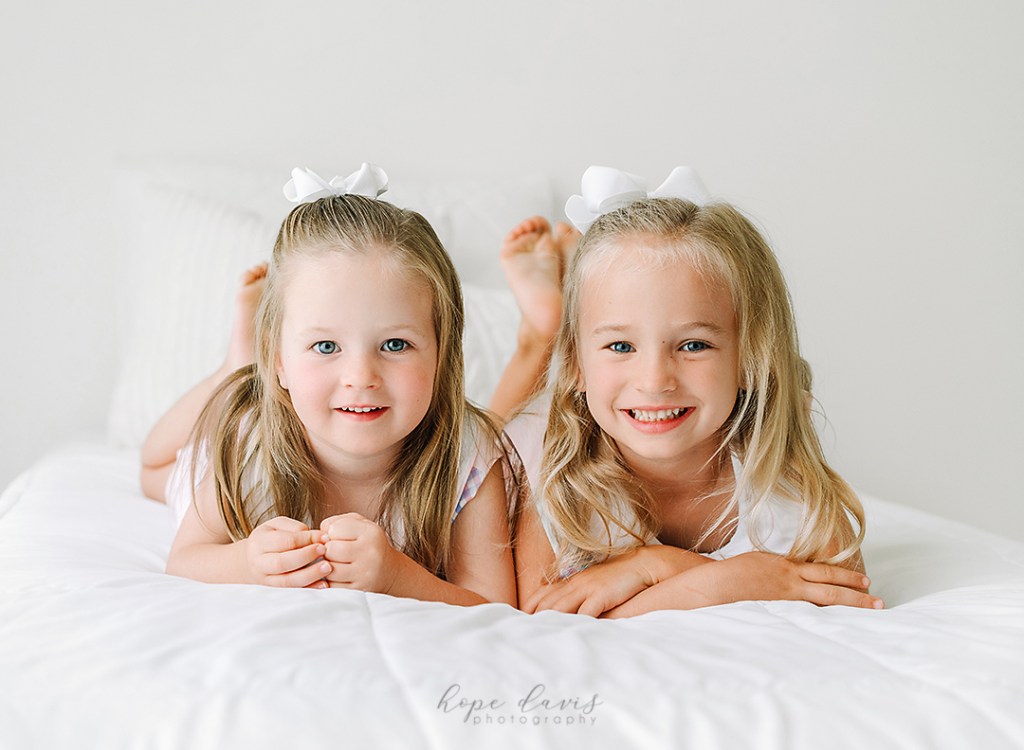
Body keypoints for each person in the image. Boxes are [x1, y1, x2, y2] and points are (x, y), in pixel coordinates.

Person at [503, 166, 880, 617]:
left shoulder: (781, 474)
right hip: (539, 421)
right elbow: (543, 619)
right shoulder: (540, 460)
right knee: (478, 445)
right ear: (577, 366)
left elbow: (849, 596)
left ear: (750, 359)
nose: (655, 379)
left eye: (694, 345)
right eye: (620, 345)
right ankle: (541, 332)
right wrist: (718, 576)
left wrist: (652, 574)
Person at [152, 165, 517, 606]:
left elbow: (494, 603)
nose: (361, 376)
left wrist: (398, 577)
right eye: (326, 346)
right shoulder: (247, 437)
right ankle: (237, 361)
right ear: (279, 362)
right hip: (227, 427)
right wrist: (246, 563)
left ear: (444, 353)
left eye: (395, 343)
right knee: (154, 469)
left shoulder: (469, 455)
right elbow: (185, 560)